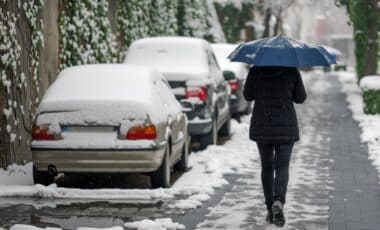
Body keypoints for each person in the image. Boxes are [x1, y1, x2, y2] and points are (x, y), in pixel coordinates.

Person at [243, 66, 306, 227]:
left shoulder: (256, 70)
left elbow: (248, 96)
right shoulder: (291, 70)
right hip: (286, 125)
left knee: (267, 167)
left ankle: (270, 208)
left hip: (262, 125)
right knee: (282, 166)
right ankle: (278, 201)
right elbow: (300, 97)